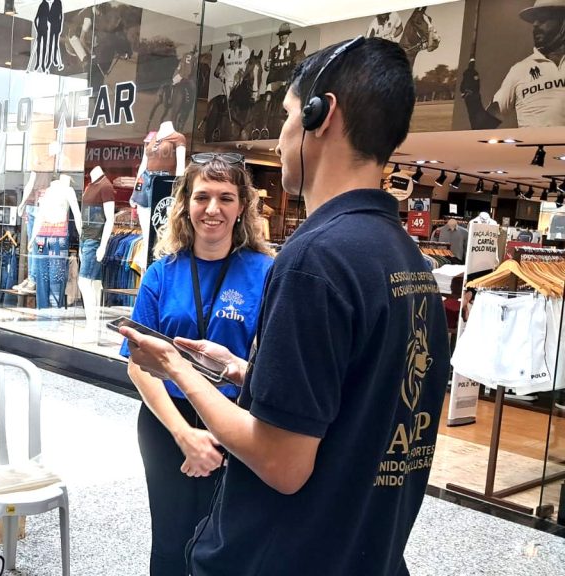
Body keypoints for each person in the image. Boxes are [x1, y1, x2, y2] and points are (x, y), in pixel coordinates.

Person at [122, 38, 451, 575]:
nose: (280, 137)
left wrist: (178, 367)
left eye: (289, 115)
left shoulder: (313, 261)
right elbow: (356, 406)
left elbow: (282, 463)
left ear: (323, 115)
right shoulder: (407, 259)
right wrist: (247, 372)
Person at [119, 154, 274, 576]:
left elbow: (272, 360)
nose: (213, 209)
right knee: (169, 543)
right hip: (166, 420)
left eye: (226, 197)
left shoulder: (266, 273)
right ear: (185, 203)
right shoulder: (160, 273)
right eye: (202, 196)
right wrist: (183, 433)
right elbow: (138, 365)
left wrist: (238, 371)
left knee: (225, 545)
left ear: (242, 205)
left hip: (236, 421)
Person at [463, 0, 565, 128]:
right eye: (534, 20)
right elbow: (482, 126)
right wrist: (472, 96)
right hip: (535, 148)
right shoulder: (519, 70)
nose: (535, 24)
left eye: (543, 18)